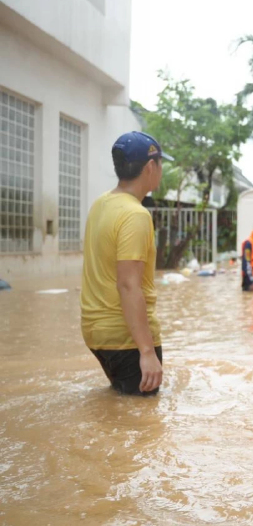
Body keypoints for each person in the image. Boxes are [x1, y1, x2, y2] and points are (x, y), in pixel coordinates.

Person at [80, 131, 172, 395]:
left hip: (96, 333)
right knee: (144, 426)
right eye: (160, 164)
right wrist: (146, 351)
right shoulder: (136, 215)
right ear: (150, 167)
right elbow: (128, 285)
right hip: (126, 338)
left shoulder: (101, 204)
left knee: (120, 412)